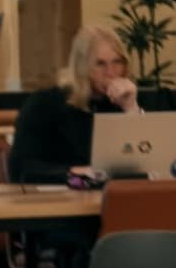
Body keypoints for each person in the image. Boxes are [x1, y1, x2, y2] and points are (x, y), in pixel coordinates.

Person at [8, 25, 139, 185]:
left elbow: (148, 162)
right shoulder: (44, 104)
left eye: (117, 62)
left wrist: (131, 109)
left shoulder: (123, 101)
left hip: (115, 197)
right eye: (100, 64)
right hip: (61, 197)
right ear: (81, 67)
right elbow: (20, 168)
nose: (111, 72)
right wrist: (73, 172)